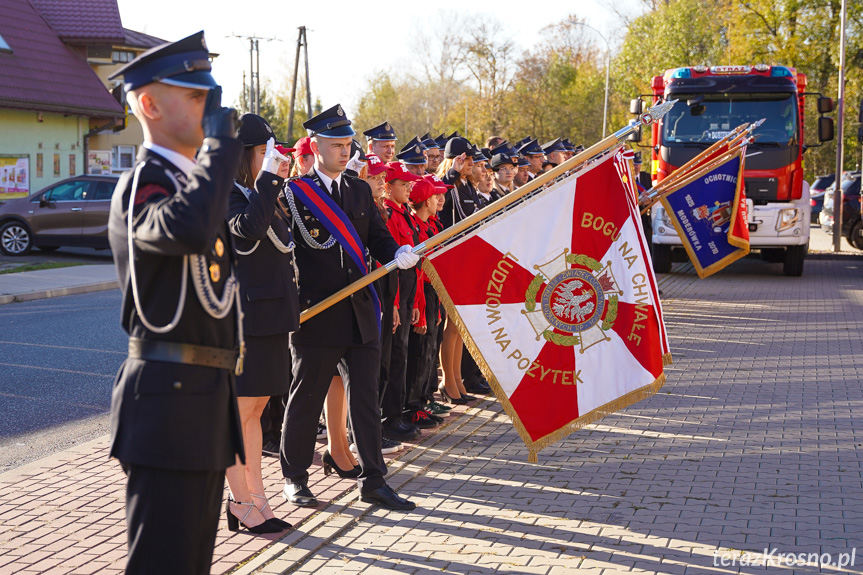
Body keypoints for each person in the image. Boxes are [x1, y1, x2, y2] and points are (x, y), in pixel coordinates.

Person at [106, 31, 244, 574]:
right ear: (148, 104)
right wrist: (219, 147)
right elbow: (185, 228)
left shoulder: (191, 184)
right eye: (193, 95)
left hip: (204, 400)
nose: (209, 105)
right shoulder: (145, 182)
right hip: (167, 404)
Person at [280, 104, 419, 511]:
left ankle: (374, 480)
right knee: (305, 400)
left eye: (348, 144)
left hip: (360, 313)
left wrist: (399, 252)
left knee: (365, 399)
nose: (345, 152)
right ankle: (295, 477)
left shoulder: (358, 190)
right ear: (317, 146)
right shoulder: (295, 194)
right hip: (318, 313)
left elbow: (377, 239)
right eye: (337, 145)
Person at [225, 114, 297, 533]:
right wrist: (269, 181)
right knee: (237, 415)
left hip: (268, 318)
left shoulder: (261, 193)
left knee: (255, 411)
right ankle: (240, 503)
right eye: (265, 152)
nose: (274, 159)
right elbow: (248, 231)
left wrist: (269, 183)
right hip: (242, 322)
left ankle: (259, 499)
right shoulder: (229, 196)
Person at [382, 162, 436, 437]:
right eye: (403, 185)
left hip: (407, 296)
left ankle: (396, 414)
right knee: (392, 358)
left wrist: (415, 304)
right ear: (389, 188)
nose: (408, 188)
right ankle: (389, 417)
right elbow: (389, 263)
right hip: (395, 295)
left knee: (400, 355)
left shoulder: (403, 215)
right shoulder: (390, 216)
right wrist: (393, 303)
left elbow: (413, 266)